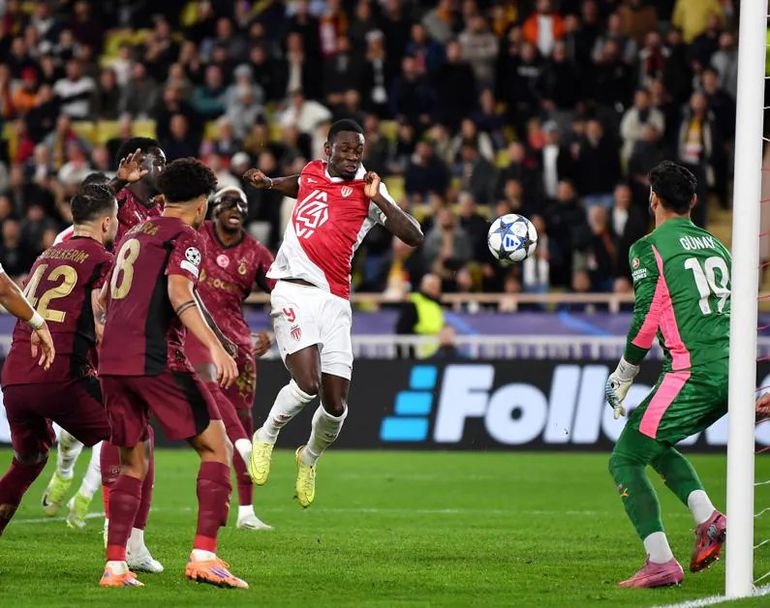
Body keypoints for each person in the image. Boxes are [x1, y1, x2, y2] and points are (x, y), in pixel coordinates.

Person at [243, 119, 423, 507]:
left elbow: (414, 236)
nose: (352, 156)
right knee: (307, 383)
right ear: (328, 150)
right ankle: (267, 434)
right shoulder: (311, 170)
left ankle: (308, 458)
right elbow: (302, 182)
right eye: (345, 149)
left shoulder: (370, 188)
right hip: (292, 288)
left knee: (335, 404)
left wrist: (379, 200)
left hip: (336, 299)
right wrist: (272, 184)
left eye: (358, 150)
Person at [97, 158, 245, 588]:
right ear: (202, 205)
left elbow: (104, 298)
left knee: (132, 462)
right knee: (217, 448)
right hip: (156, 359)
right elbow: (180, 293)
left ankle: (116, 566)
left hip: (113, 363)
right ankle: (205, 556)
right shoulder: (186, 235)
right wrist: (216, 347)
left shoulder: (132, 234)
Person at [605, 161, 729, 588]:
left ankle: (660, 561)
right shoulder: (717, 246)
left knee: (625, 458)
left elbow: (648, 315)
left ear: (653, 198)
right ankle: (707, 518)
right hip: (732, 369)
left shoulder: (649, 247)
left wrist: (624, 372)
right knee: (653, 445)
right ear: (693, 202)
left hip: (690, 372)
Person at [43, 145, 165, 573]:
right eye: (154, 162)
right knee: (103, 433)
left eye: (164, 163)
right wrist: (118, 182)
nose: (159, 170)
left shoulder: (163, 214)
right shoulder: (113, 206)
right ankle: (66, 473)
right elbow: (87, 211)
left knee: (130, 433)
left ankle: (126, 538)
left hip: (129, 334)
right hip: (90, 332)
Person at [0, 185, 114, 539]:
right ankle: (125, 549)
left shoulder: (45, 256)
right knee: (130, 437)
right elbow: (99, 323)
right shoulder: (101, 260)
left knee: (28, 461)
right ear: (107, 224)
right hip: (62, 374)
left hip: (15, 376)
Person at [184, 186, 274, 531]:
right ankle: (243, 446)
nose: (237, 208)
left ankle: (247, 512)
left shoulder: (255, 252)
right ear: (213, 209)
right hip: (198, 335)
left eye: (243, 205)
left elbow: (280, 292)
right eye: (229, 203)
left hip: (238, 344)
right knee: (209, 387)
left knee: (243, 416)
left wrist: (274, 332)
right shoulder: (196, 234)